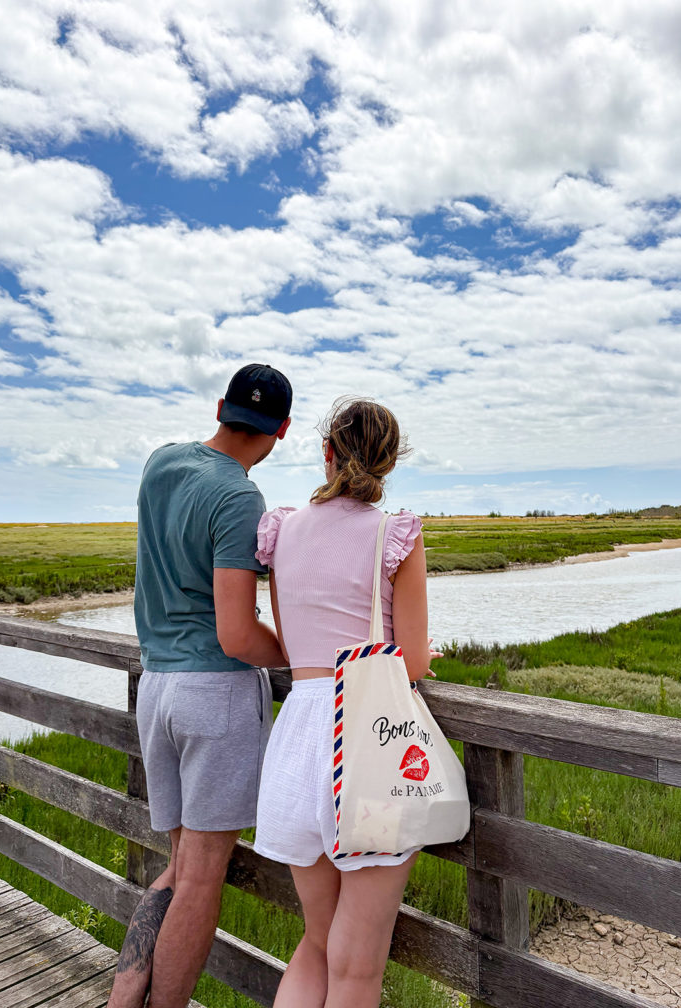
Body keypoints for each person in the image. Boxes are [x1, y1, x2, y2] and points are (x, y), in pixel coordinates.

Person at [107, 364, 292, 1008]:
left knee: (181, 866)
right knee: (202, 880)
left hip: (155, 686)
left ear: (221, 407)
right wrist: (300, 655)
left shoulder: (161, 464)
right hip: (213, 694)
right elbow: (240, 636)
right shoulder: (240, 498)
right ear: (283, 430)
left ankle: (123, 997)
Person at [253, 398, 433, 1008]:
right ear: (388, 463)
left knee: (317, 942)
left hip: (298, 740)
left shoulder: (281, 531)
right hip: (366, 745)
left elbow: (291, 643)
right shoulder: (395, 533)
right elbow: (412, 662)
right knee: (356, 970)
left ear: (327, 451)